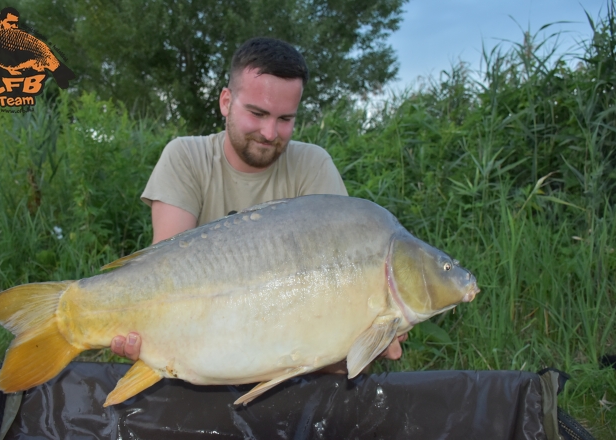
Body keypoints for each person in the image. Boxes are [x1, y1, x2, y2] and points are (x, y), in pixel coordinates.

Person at [110, 36, 408, 369]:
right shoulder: (185, 157)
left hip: (285, 340)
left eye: (285, 119)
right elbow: (162, 277)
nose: (270, 132)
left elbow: (339, 275)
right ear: (226, 102)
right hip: (200, 337)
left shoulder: (313, 166)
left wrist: (368, 333)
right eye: (257, 113)